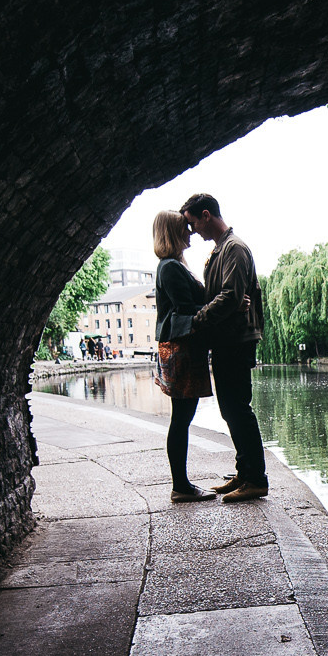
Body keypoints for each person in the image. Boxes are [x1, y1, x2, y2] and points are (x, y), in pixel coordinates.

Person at [183, 192, 268, 501]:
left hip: (236, 340)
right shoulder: (222, 249)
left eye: (193, 223)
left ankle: (256, 478)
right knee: (230, 410)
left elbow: (231, 295)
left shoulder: (234, 248)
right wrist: (225, 303)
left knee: (238, 409)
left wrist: (196, 320)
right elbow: (227, 296)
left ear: (207, 215)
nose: (193, 231)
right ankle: (245, 473)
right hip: (226, 339)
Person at [149, 210, 215, 503]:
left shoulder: (171, 265)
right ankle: (181, 486)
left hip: (179, 347)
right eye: (185, 229)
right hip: (180, 349)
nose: (190, 233)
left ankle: (182, 484)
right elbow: (187, 308)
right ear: (173, 233)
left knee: (182, 418)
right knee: (181, 419)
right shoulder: (171, 268)